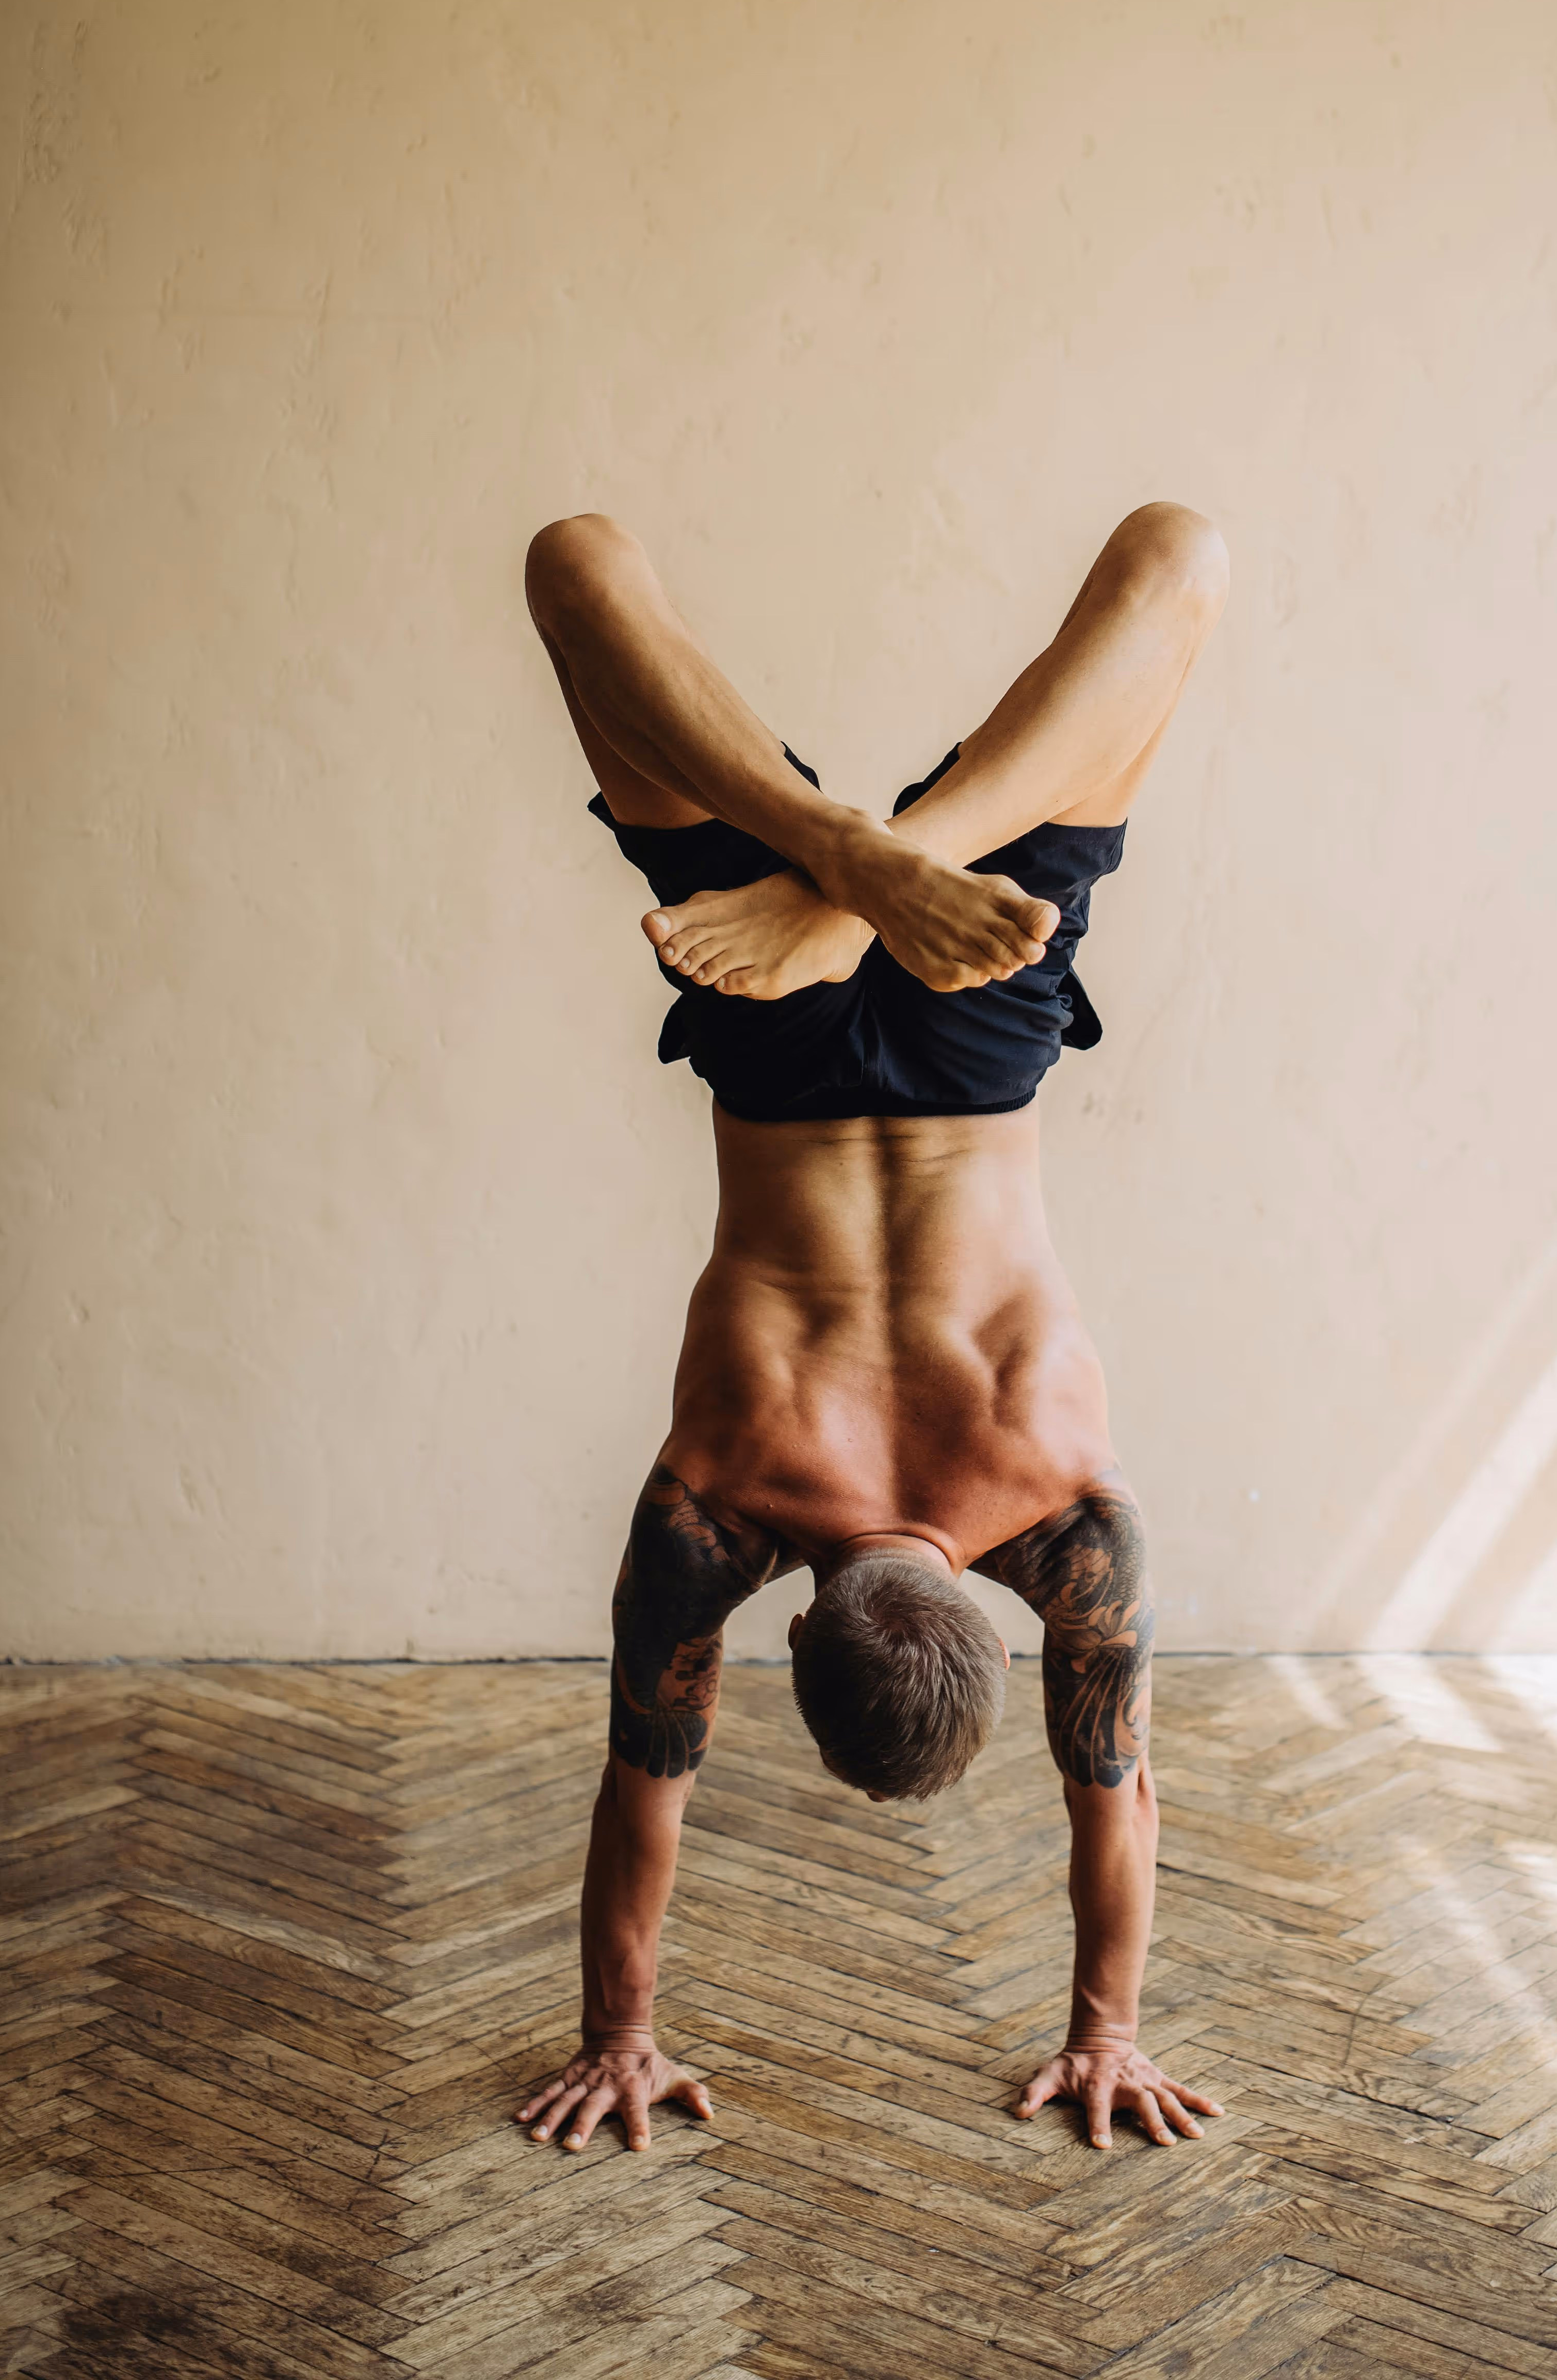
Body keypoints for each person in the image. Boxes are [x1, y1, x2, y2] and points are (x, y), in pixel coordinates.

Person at [514, 503, 1229, 2159]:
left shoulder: (1071, 1520)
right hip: (780, 1047)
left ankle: (866, 874)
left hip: (985, 1037)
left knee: (1176, 559)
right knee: (580, 570)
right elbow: (644, 1795)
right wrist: (616, 2037)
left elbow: (1112, 1806)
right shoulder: (721, 1509)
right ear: (797, 1621)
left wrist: (1109, 2030)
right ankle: (865, 871)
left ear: (991, 1616)